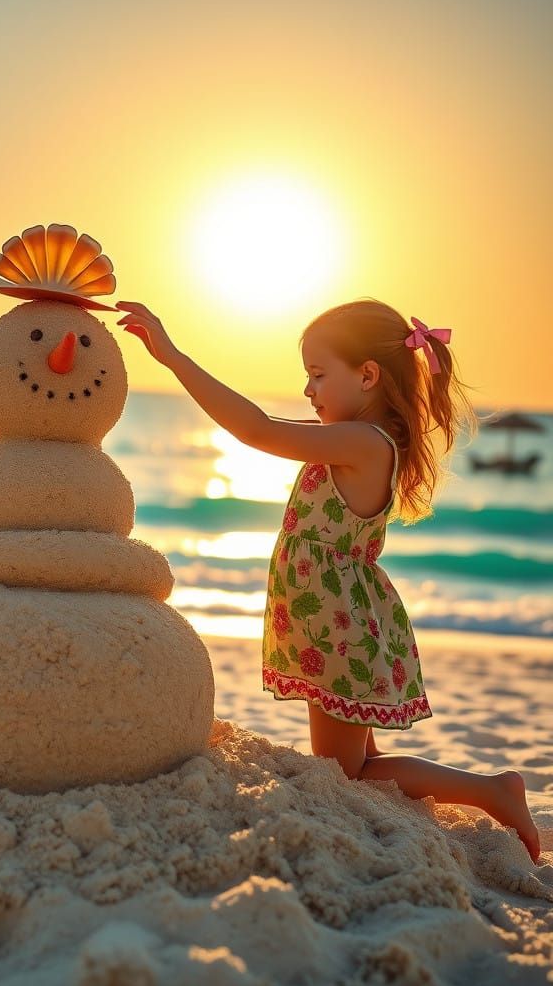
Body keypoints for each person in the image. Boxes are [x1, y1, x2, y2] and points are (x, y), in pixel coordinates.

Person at [117, 298, 540, 863]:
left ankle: (492, 791)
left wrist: (173, 357)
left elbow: (257, 429)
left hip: (339, 627)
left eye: (318, 375)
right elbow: (271, 431)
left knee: (347, 774)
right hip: (334, 620)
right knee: (357, 764)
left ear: (367, 375)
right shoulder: (355, 437)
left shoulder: (364, 442)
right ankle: (471, 794)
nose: (309, 390)